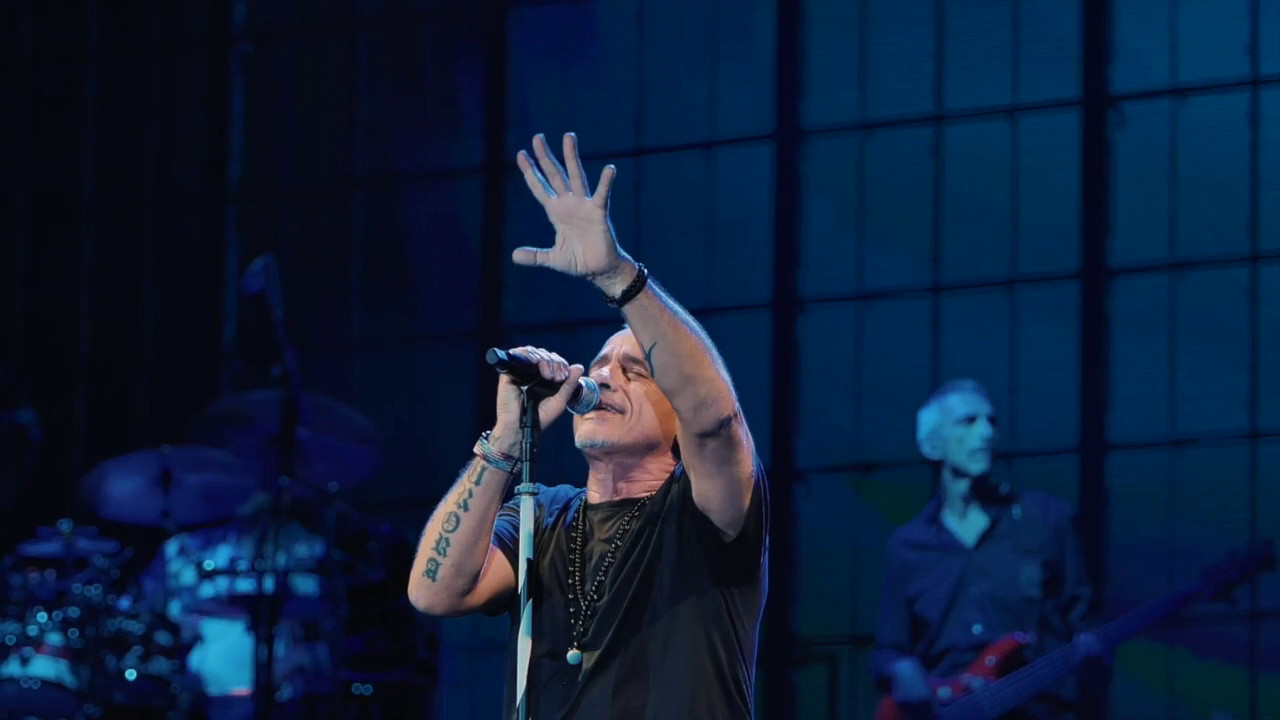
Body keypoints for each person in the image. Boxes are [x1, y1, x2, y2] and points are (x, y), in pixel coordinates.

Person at [407, 132, 769, 719]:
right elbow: (434, 591)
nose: (604, 378)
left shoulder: (703, 512)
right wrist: (506, 439)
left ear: (677, 414)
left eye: (636, 371)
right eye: (599, 365)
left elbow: (714, 417)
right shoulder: (540, 517)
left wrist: (616, 275)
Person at [871, 380, 1101, 720]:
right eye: (968, 421)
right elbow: (889, 648)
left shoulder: (1047, 519)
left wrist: (1092, 659)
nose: (987, 432)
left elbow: (1084, 622)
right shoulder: (907, 546)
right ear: (931, 445)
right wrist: (899, 667)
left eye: (991, 421)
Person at [136, 492, 334, 720]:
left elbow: (316, 606)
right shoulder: (183, 549)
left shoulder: (293, 543)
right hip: (213, 684)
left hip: (272, 685)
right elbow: (160, 605)